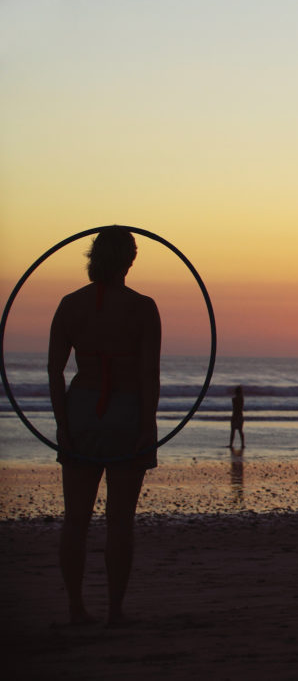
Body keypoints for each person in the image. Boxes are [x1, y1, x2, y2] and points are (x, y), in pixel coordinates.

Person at [47, 226, 161, 625]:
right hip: (127, 411)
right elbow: (148, 372)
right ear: (130, 259)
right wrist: (148, 423)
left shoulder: (69, 304)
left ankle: (77, 608)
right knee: (120, 521)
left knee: (75, 519)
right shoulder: (143, 307)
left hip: (82, 410)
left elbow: (55, 371)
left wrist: (63, 421)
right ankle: (114, 610)